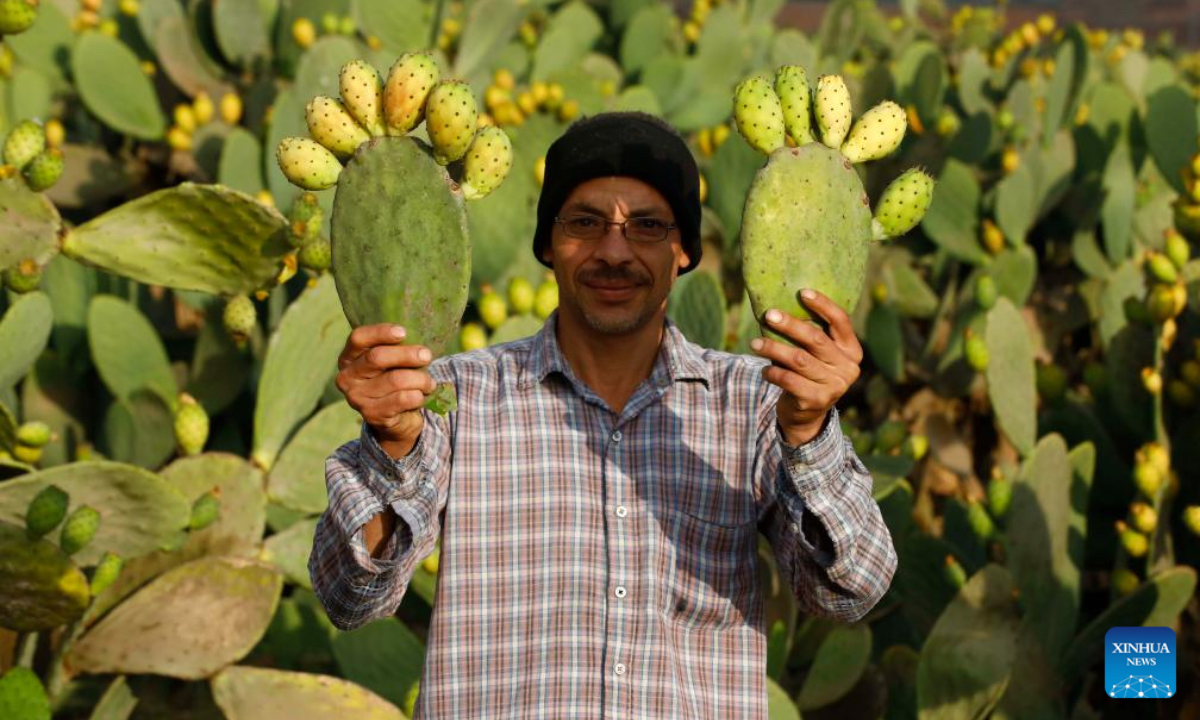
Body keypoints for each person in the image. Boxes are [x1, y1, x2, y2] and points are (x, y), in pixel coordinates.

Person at [310, 111, 897, 718]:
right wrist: (391, 445)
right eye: (585, 223)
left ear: (685, 253)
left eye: (646, 226)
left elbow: (851, 590)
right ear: (547, 246)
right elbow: (349, 598)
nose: (613, 251)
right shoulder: (454, 399)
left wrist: (807, 432)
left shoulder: (756, 404)